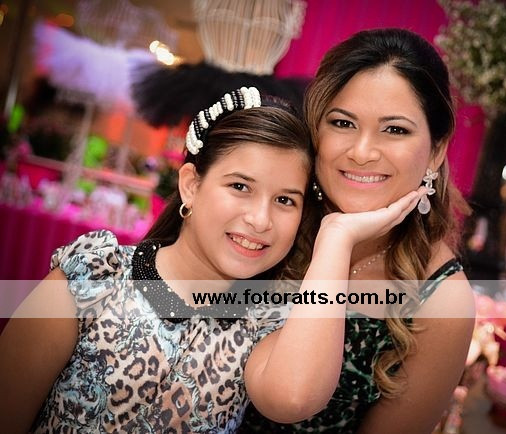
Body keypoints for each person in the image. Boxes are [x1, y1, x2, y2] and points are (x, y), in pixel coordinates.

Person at [0, 86, 426, 433]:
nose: (260, 219)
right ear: (191, 185)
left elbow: (295, 399)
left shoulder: (267, 321)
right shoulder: (95, 274)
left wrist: (336, 238)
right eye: (240, 187)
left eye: (285, 200)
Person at [242, 29, 475, 433]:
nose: (362, 152)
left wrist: (337, 236)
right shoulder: (268, 217)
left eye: (395, 129)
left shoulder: (442, 300)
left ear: (436, 151)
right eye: (343, 122)